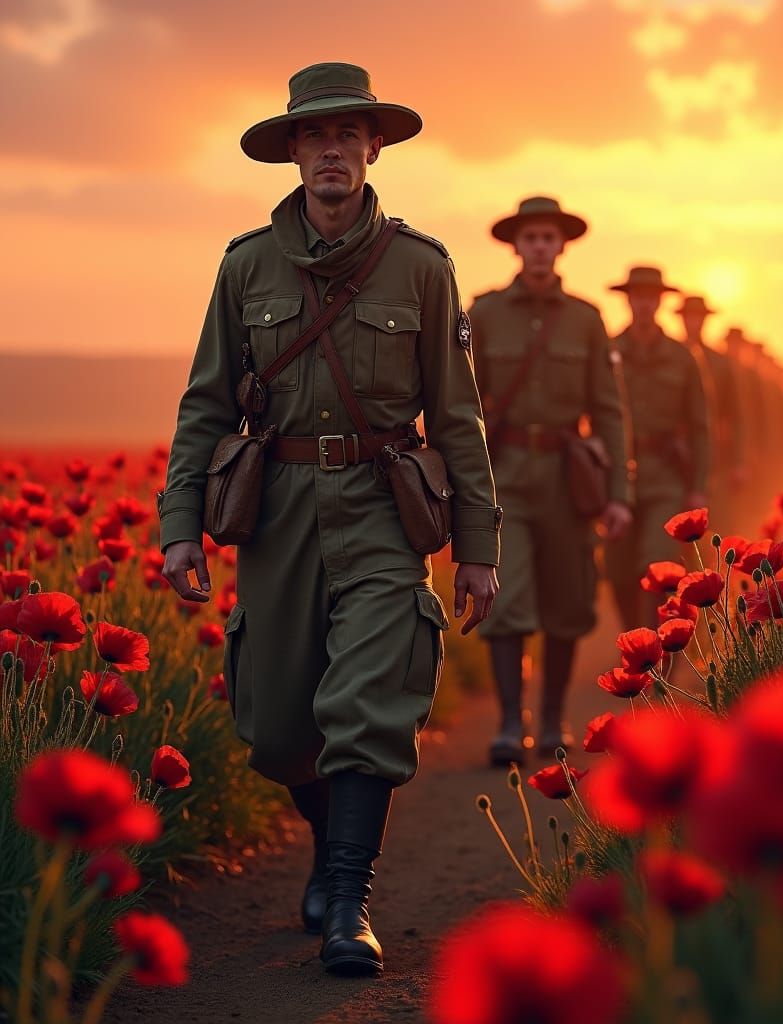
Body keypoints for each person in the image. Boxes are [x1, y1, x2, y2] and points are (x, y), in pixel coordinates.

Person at [158, 62, 501, 978]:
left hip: (385, 513)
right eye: (315, 135)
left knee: (365, 707)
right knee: (277, 730)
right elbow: (204, 407)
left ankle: (350, 901)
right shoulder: (245, 267)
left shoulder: (422, 268)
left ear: (373, 147)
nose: (333, 150)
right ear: (293, 152)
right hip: (277, 515)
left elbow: (457, 416)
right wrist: (180, 523)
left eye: (349, 134)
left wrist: (478, 547)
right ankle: (324, 848)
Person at [469, 197, 631, 765]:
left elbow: (608, 411)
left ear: (562, 246)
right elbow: (462, 402)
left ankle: (556, 718)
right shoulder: (485, 313)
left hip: (569, 479)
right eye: (530, 237)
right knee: (506, 598)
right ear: (516, 245)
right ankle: (513, 723)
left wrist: (618, 495)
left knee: (567, 601)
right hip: (505, 476)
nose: (539, 246)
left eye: (548, 237)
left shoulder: (586, 318)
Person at [604, 266, 709, 628]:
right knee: (618, 570)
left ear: (660, 301)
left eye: (651, 296)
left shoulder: (682, 358)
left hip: (666, 475)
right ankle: (633, 637)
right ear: (629, 300)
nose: (645, 303)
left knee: (658, 564)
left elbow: (699, 427)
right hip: (617, 478)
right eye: (638, 296)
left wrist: (697, 487)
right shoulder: (609, 350)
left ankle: (660, 644)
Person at [677, 294, 745, 534]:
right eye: (688, 317)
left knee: (713, 517)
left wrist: (737, 461)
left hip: (713, 447)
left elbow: (734, 416)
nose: (693, 322)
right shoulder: (674, 355)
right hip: (675, 451)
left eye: (698, 317)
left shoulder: (720, 363)